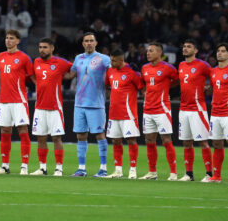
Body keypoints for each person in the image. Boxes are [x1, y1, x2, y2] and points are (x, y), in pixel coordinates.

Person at [68, 32, 110, 177]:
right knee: (80, 135)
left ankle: (103, 169)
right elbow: (70, 75)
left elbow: (113, 73)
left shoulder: (104, 59)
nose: (89, 43)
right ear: (83, 43)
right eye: (86, 41)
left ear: (96, 43)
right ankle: (81, 168)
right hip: (79, 103)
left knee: (100, 134)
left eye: (91, 41)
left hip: (96, 103)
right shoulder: (78, 58)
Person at [0, 29, 34, 175]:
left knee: (22, 130)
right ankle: (5, 165)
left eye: (11, 38)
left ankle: (24, 166)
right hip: (4, 100)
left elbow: (32, 76)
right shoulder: (1, 56)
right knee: (5, 131)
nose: (8, 40)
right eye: (6, 38)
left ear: (18, 41)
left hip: (19, 100)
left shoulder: (24, 58)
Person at [30, 38, 72, 176]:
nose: (42, 50)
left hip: (55, 108)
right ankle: (42, 167)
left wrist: (68, 76)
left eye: (45, 47)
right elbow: (31, 75)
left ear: (52, 48)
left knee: (56, 138)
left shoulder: (60, 62)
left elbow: (75, 68)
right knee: (41, 138)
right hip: (40, 107)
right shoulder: (36, 62)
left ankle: (59, 168)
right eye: (40, 47)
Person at [140, 42, 179, 180]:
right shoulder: (144, 68)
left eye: (151, 51)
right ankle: (152, 172)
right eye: (147, 51)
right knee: (149, 139)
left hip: (162, 109)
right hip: (147, 109)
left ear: (159, 53)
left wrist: (166, 88)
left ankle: (173, 173)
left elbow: (177, 80)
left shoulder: (168, 68)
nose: (148, 53)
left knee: (166, 139)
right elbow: (145, 84)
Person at [177, 39, 213, 182]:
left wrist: (209, 89)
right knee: (187, 142)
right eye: (184, 46)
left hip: (198, 109)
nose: (185, 49)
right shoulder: (180, 65)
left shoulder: (202, 65)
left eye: (189, 47)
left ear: (196, 50)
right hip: (183, 109)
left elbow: (215, 77)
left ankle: (209, 174)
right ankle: (189, 174)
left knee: (203, 142)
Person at [105, 49, 143, 179]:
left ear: (121, 60)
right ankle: (118, 170)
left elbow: (142, 88)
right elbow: (106, 85)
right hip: (113, 113)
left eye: (114, 60)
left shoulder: (132, 73)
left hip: (128, 114)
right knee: (116, 141)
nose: (111, 62)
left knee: (131, 140)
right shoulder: (110, 71)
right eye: (111, 60)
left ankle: (133, 170)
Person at [206, 43, 228, 183]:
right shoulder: (213, 71)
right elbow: (214, 88)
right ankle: (217, 176)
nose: (220, 53)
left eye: (223, 51)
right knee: (217, 144)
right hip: (215, 112)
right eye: (218, 51)